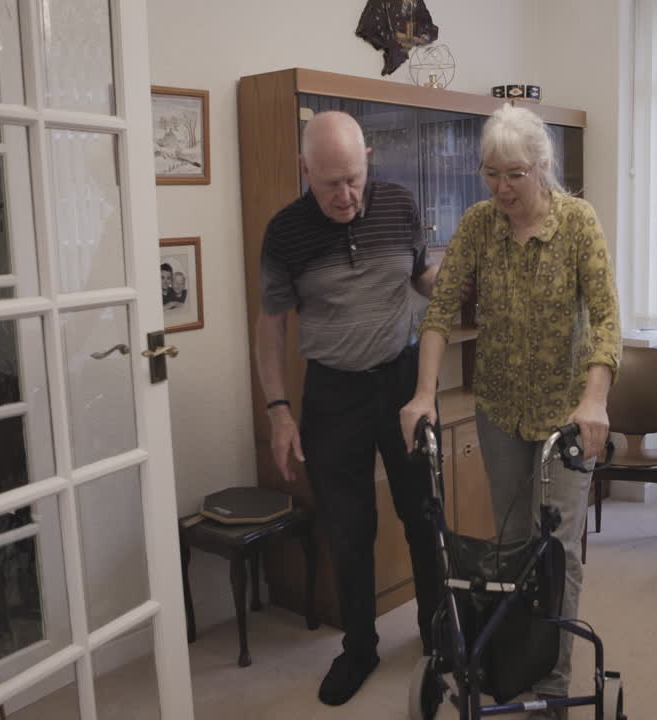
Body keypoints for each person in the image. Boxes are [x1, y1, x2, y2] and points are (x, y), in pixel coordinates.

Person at [400, 103, 621, 719]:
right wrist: (424, 393)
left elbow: (606, 319)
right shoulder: (478, 225)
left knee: (558, 550)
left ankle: (553, 682)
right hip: (498, 411)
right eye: (490, 174)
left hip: (565, 420)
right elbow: (440, 310)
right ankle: (516, 658)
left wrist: (594, 400)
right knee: (513, 544)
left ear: (542, 167)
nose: (501, 188)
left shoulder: (577, 223)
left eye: (514, 174)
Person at [255, 110, 440, 707]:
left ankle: (438, 634)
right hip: (333, 393)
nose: (346, 195)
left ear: (368, 164)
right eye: (331, 182)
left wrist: (458, 282)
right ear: (304, 170)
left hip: (403, 381)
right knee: (349, 526)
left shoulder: (400, 204)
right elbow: (271, 328)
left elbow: (422, 277)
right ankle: (359, 647)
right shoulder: (285, 232)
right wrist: (278, 411)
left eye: (354, 179)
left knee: (423, 512)